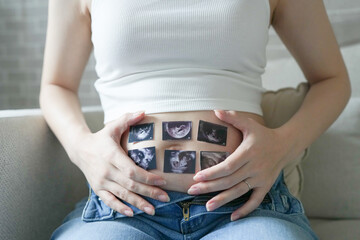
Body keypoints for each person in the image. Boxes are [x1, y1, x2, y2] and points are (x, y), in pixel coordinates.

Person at [41, 0, 351, 239]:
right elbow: (56, 85)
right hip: (125, 206)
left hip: (246, 207)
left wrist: (284, 146)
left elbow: (332, 80)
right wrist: (83, 150)